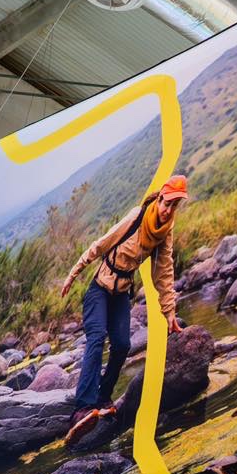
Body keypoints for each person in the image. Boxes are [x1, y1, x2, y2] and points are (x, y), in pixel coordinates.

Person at [60, 175, 189, 444]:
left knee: (122, 345)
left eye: (174, 206)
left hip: (121, 294)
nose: (168, 210)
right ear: (160, 198)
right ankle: (82, 408)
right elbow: (102, 243)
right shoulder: (137, 217)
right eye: (167, 203)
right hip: (99, 290)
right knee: (96, 338)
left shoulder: (164, 233)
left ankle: (103, 397)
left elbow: (164, 273)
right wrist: (73, 274)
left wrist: (169, 312)